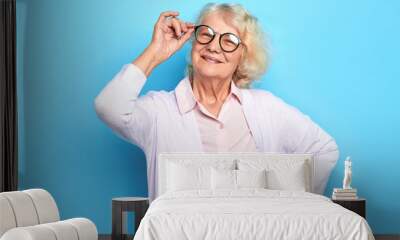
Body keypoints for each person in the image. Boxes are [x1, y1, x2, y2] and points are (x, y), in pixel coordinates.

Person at [94, 3, 339, 202]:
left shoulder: (265, 108)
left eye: (229, 40)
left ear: (243, 54)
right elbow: (109, 107)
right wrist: (156, 51)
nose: (213, 46)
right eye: (206, 34)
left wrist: (291, 207)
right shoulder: (161, 110)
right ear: (192, 42)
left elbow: (324, 149)